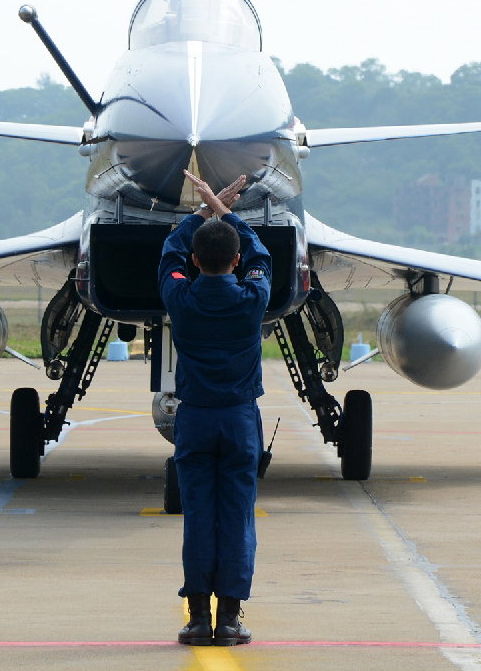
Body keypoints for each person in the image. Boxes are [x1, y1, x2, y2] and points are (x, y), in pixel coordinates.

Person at [158, 169, 272, 647]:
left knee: (199, 518)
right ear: (236, 261)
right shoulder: (252, 297)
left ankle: (198, 619)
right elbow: (262, 256)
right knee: (238, 518)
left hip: (196, 419)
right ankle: (230, 619)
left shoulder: (180, 297)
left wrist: (201, 212)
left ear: (196, 259)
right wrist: (227, 212)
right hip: (240, 419)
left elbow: (169, 253)